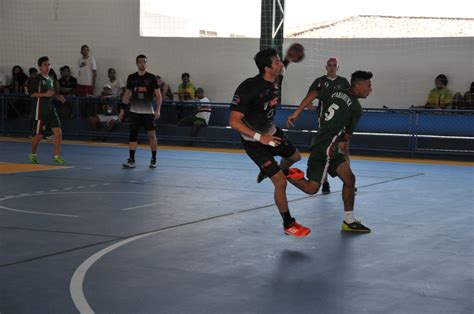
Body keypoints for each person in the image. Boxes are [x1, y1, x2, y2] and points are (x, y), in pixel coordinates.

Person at [229, 48, 311, 238]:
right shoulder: (249, 88)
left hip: (272, 133)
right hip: (255, 142)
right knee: (280, 183)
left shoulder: (276, 78)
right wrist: (260, 137)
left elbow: (283, 66)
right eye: (276, 62)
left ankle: (272, 169)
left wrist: (289, 58)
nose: (280, 64)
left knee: (295, 157)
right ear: (267, 68)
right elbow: (233, 121)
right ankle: (288, 224)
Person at [286, 70, 374, 233]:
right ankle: (282, 172)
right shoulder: (356, 108)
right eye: (368, 85)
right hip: (325, 149)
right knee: (311, 189)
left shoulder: (335, 91)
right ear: (358, 85)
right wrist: (339, 137)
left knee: (349, 179)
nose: (371, 89)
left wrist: (297, 112)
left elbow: (314, 92)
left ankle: (349, 220)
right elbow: (346, 136)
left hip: (328, 146)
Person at [306, 57, 350, 194]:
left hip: (340, 123)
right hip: (324, 124)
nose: (332, 68)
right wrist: (310, 106)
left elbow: (350, 101)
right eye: (329, 65)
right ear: (326, 67)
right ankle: (325, 182)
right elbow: (309, 98)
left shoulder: (343, 82)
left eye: (334, 65)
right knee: (324, 152)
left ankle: (348, 181)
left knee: (344, 150)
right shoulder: (320, 82)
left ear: (338, 68)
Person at [120, 54, 162, 169]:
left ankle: (153, 159)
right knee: (133, 136)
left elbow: (158, 96)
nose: (142, 63)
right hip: (134, 112)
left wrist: (158, 110)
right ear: (137, 63)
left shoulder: (152, 78)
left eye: (144, 61)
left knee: (152, 136)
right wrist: (122, 109)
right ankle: (131, 160)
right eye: (140, 62)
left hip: (148, 112)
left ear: (146, 63)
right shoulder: (131, 77)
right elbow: (126, 94)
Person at [28, 56, 66, 164]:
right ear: (40, 67)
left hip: (50, 110)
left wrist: (57, 96)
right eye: (45, 64)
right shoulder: (36, 79)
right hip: (40, 111)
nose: (47, 66)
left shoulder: (50, 79)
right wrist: (45, 94)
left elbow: (51, 93)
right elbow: (32, 94)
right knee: (39, 135)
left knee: (58, 132)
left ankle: (56, 156)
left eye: (48, 64)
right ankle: (33, 154)